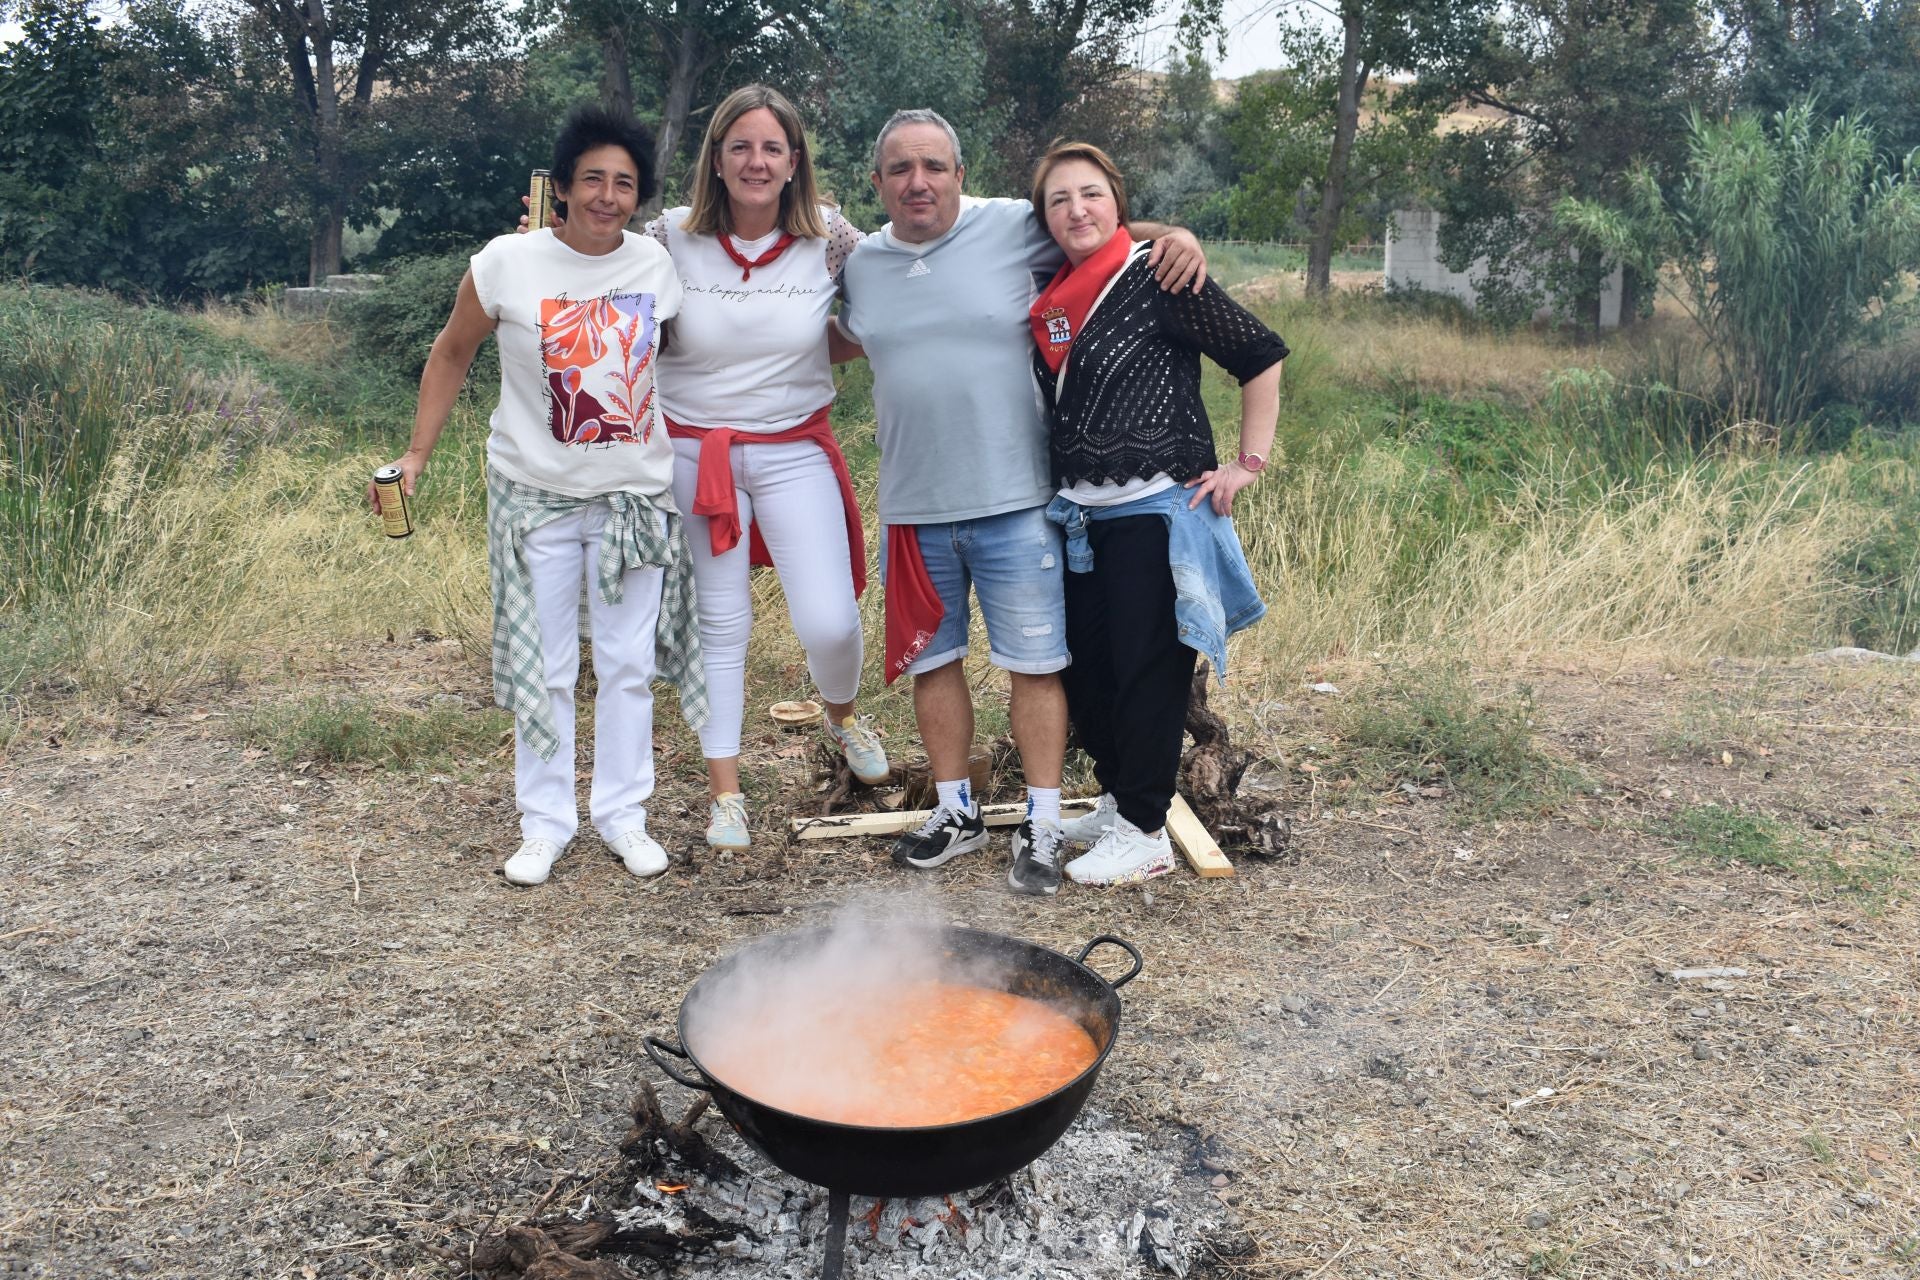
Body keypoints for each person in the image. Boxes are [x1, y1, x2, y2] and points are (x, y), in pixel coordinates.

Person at [834, 109, 1207, 897]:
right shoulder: (860, 265)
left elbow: (1097, 231)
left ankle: (1041, 821)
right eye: (899, 169)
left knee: (1036, 665)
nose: (918, 182)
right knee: (933, 664)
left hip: (1018, 499)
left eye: (934, 166)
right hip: (913, 502)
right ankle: (956, 810)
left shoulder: (1010, 228)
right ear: (877, 183)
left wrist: (1175, 238)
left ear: (961, 174)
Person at [371, 106, 704, 888]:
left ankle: (624, 815)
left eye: (624, 183)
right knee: (544, 666)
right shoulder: (505, 264)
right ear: (562, 186)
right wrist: (417, 453)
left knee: (626, 664)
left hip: (634, 498)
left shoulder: (657, 269)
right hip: (534, 498)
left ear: (639, 196)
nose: (608, 196)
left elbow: (680, 362)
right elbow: (451, 353)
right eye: (593, 178)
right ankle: (544, 823)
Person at [1027, 141, 1286, 886]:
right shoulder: (1053, 294)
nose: (1076, 209)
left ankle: (1145, 832)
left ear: (1117, 202)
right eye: (1058, 200)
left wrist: (1248, 463)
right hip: (1080, 517)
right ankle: (1120, 800)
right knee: (1090, 670)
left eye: (1091, 194)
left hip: (1155, 513)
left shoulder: (1159, 274)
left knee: (1148, 673)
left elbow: (1259, 354)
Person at [647, 84, 889, 854]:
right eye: (740, 146)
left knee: (830, 619)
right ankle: (726, 793)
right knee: (722, 626)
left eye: (772, 148)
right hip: (696, 454)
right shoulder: (666, 237)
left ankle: (842, 716)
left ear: (794, 163)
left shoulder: (833, 240)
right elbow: (592, 285)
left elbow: (904, 282)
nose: (756, 161)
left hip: (793, 447)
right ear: (716, 159)